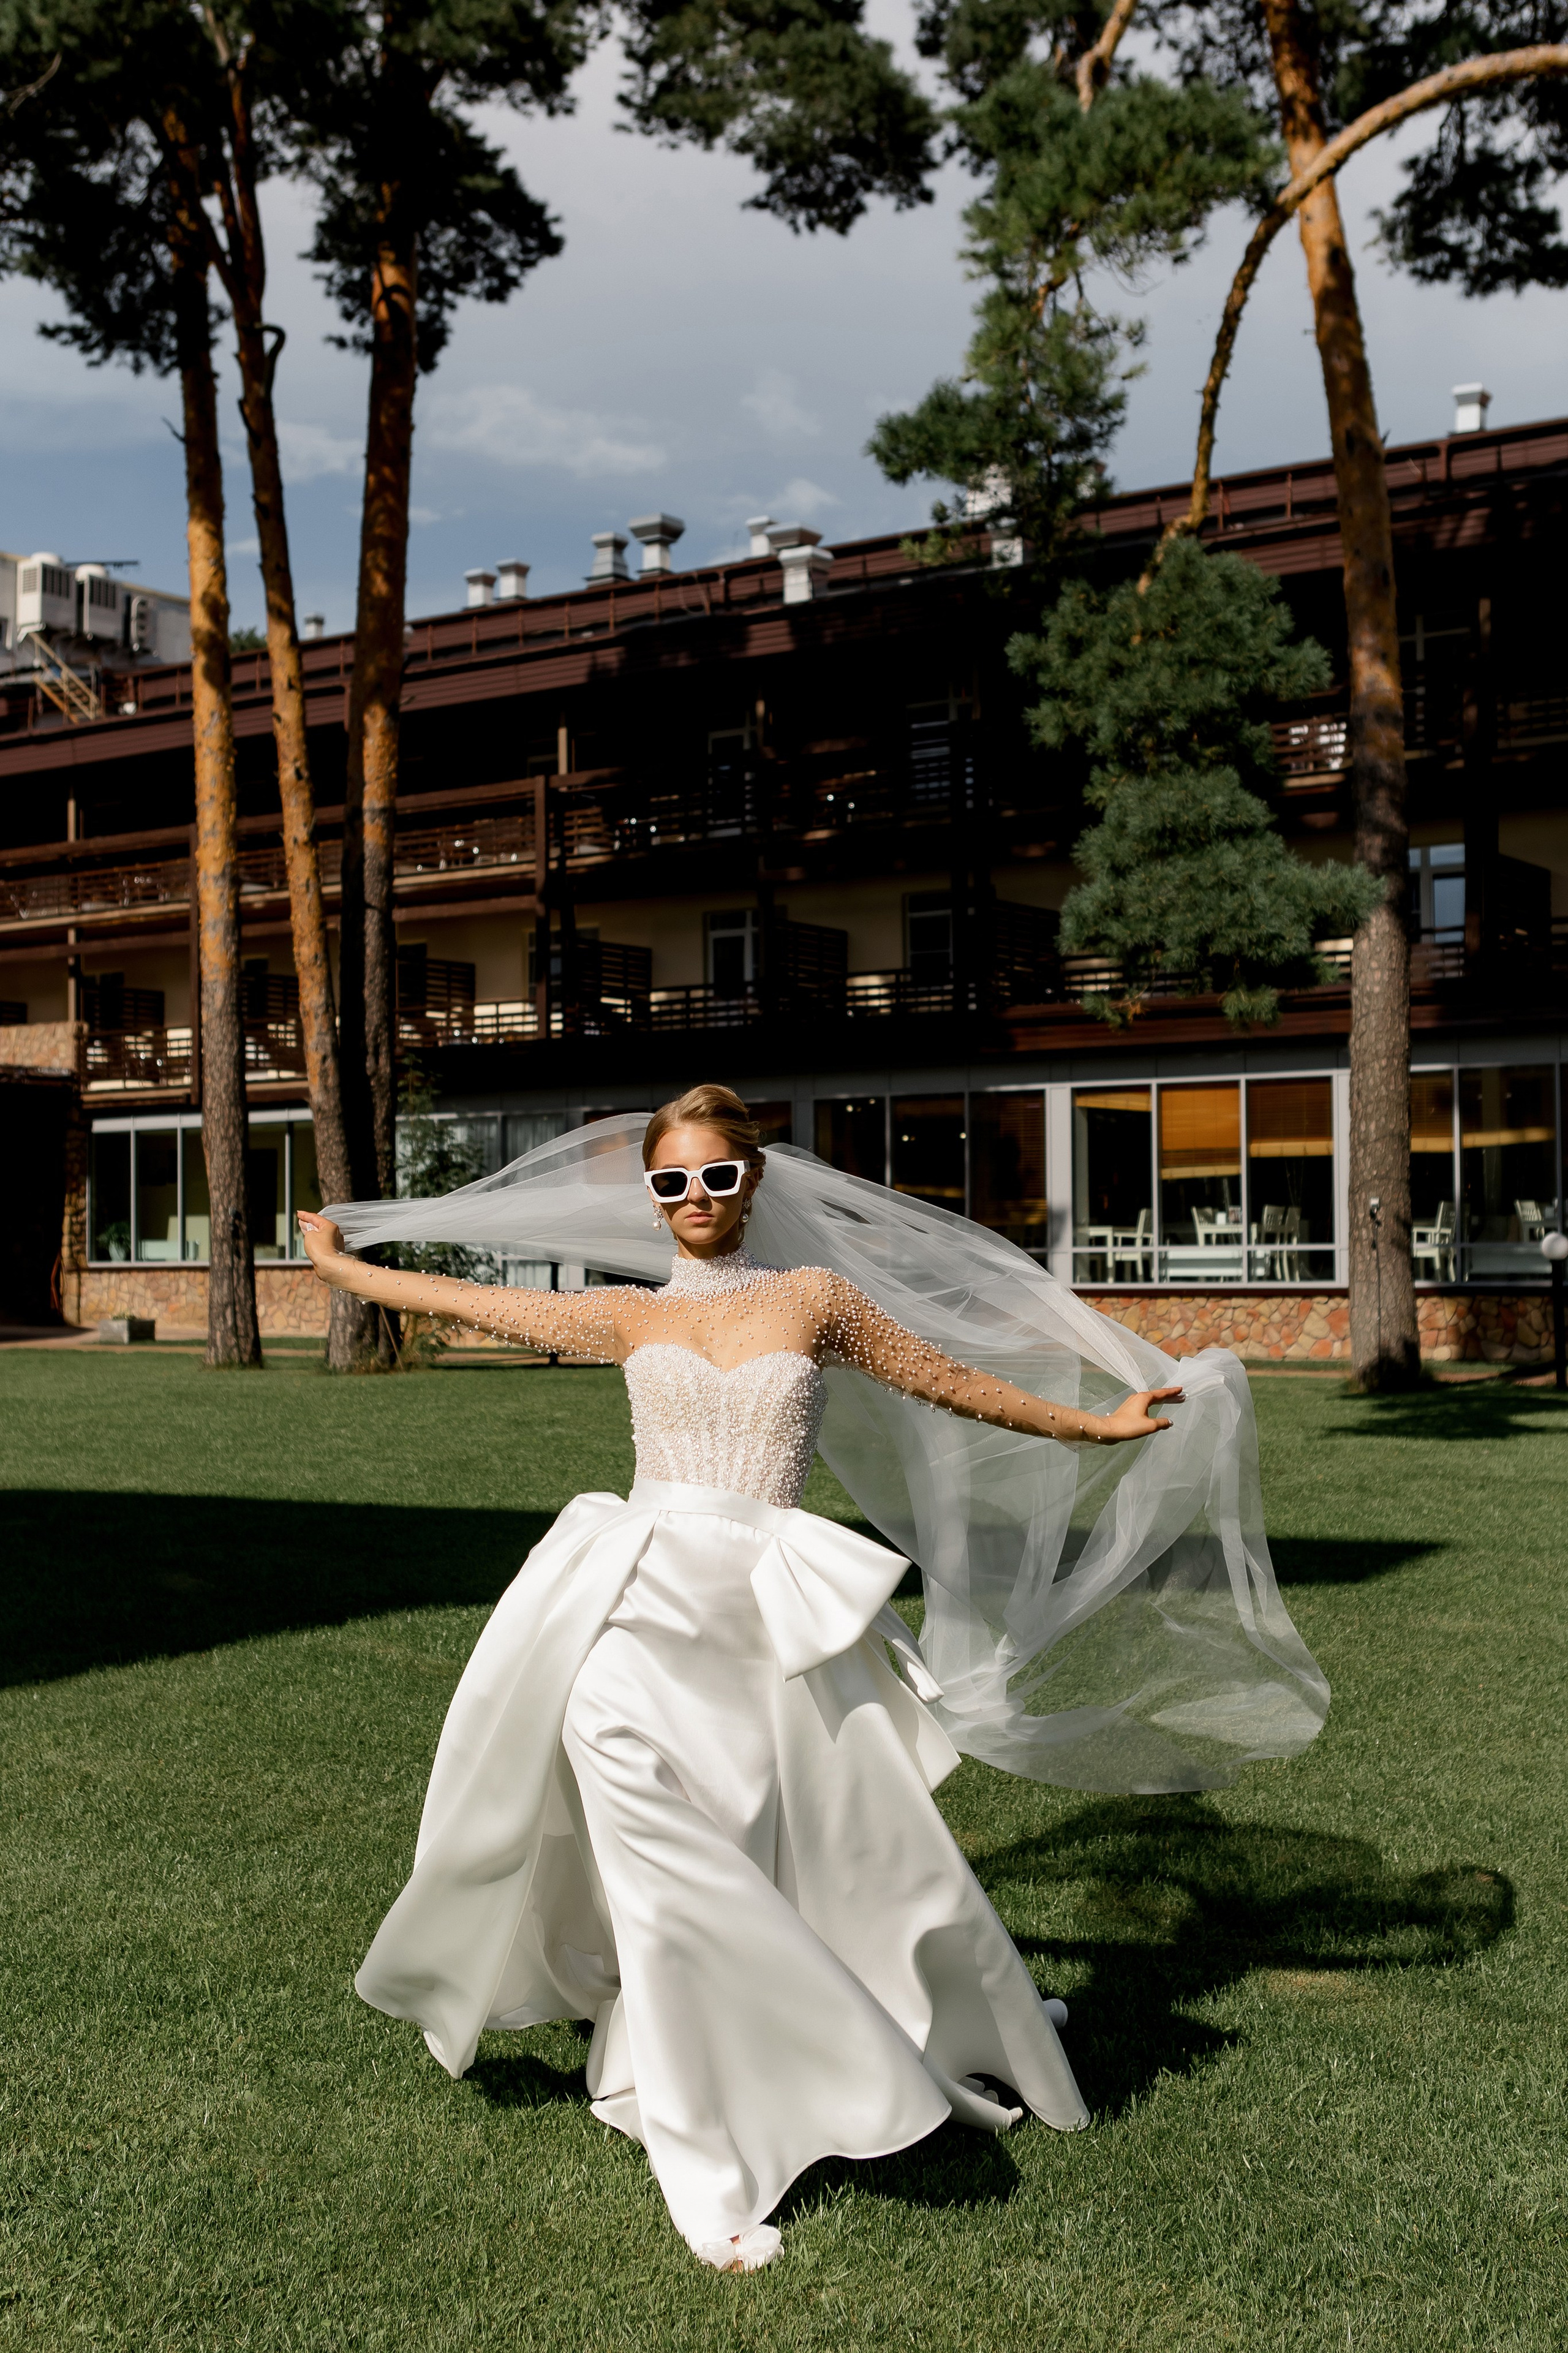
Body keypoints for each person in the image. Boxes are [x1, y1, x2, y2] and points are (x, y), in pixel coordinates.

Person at [296, 1082, 1319, 2275]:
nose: (691, 1199)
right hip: (630, 1605)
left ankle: (833, 2028)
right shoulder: (626, 1317)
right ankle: (704, 2161)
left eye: (714, 1177)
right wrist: (344, 1269)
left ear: (753, 1180)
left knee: (816, 1844)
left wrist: (1094, 1429)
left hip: (762, 1614)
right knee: (652, 1840)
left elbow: (954, 1379)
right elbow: (469, 1299)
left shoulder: (815, 1299)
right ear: (650, 1195)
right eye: (668, 1182)